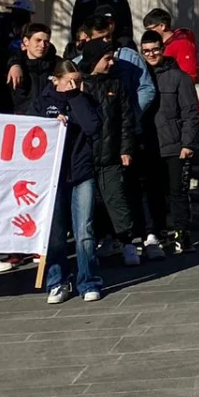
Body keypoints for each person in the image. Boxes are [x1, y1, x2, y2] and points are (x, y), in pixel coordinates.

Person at [28, 59, 105, 304]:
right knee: (55, 233)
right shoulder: (42, 103)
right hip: (52, 176)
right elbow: (29, 133)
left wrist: (75, 97)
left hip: (81, 172)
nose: (74, 84)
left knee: (84, 230)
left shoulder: (85, 100)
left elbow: (94, 127)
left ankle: (89, 280)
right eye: (69, 81)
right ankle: (57, 280)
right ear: (56, 80)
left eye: (78, 81)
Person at [78, 40, 139, 266]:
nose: (111, 62)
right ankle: (90, 247)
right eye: (107, 59)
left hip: (110, 153)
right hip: (84, 156)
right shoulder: (79, 83)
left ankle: (127, 242)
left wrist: (125, 148)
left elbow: (126, 119)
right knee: (88, 204)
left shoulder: (116, 83)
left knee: (116, 198)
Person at [139, 30, 199, 255]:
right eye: (146, 51)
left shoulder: (179, 77)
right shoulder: (140, 77)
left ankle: (182, 234)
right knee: (152, 192)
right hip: (149, 146)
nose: (151, 54)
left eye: (155, 49)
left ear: (162, 49)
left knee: (178, 192)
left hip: (175, 144)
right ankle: (157, 232)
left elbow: (190, 112)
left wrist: (188, 143)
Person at [10, 23, 60, 114]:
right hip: (21, 120)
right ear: (26, 41)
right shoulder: (15, 64)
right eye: (38, 40)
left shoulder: (57, 65)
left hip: (48, 119)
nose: (43, 45)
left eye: (46, 41)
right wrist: (14, 65)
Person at [142, 8, 199, 83]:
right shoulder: (159, 45)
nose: (148, 33)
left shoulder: (183, 43)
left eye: (150, 29)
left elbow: (189, 74)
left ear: (162, 26)